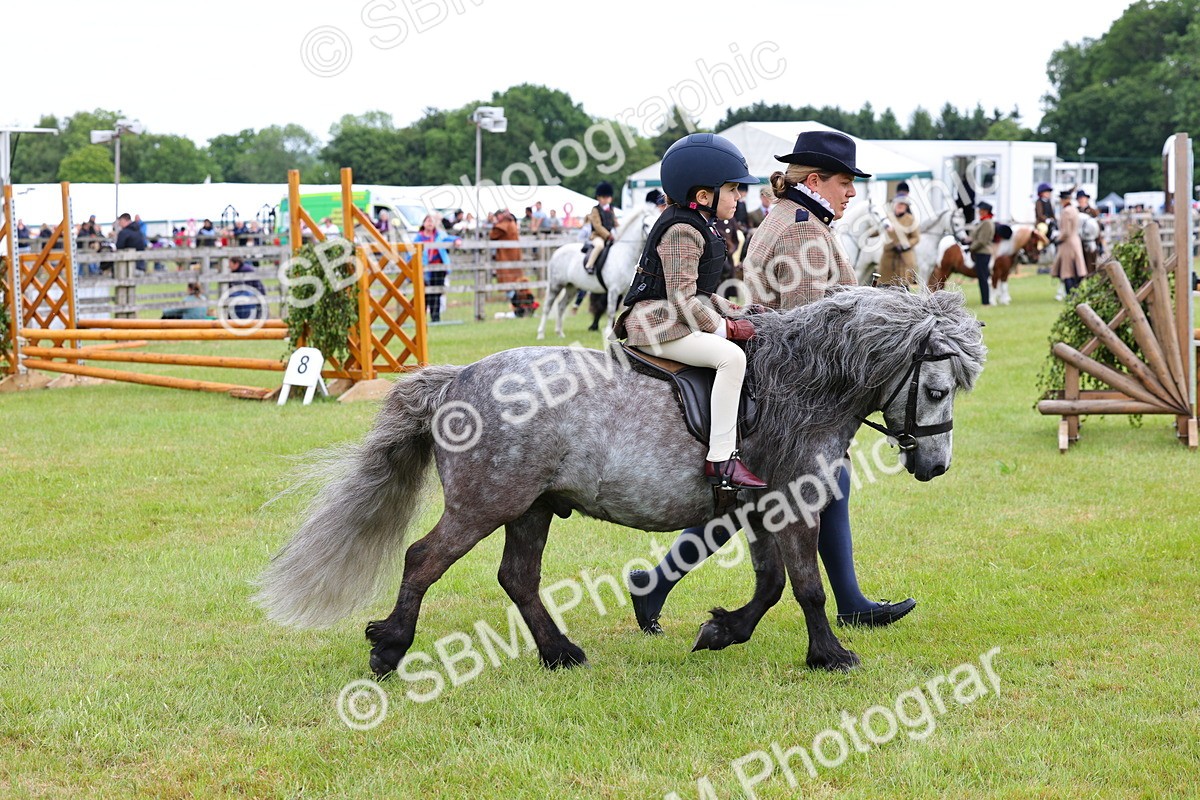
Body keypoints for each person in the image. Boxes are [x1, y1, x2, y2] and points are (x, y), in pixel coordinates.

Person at [628, 129, 916, 634]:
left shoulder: (799, 216)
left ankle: (659, 582)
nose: (852, 193)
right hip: (781, 379)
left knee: (761, 497)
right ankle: (846, 602)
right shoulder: (802, 228)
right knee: (812, 483)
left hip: (760, 362)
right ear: (817, 180)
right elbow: (810, 320)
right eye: (846, 182)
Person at [615, 132, 766, 493]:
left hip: (672, 319)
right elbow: (682, 298)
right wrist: (724, 331)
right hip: (655, 324)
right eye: (733, 189)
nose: (739, 197)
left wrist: (742, 312)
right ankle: (722, 458)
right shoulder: (683, 229)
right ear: (703, 195)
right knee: (731, 359)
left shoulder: (700, 223)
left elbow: (702, 294)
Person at [415, 213, 462, 323]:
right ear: (423, 223)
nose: (430, 223)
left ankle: (435, 318)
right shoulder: (419, 237)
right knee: (424, 294)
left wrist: (457, 240)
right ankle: (421, 320)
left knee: (436, 293)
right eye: (428, 221)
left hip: (438, 268)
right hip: (424, 269)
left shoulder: (440, 235)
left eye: (432, 221)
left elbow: (451, 238)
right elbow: (411, 251)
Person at [1051, 189, 1088, 297]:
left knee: (1067, 271)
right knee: (1077, 269)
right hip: (1075, 241)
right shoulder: (1074, 209)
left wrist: (1057, 239)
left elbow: (1066, 231)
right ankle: (1076, 292)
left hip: (1067, 243)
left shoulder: (1066, 211)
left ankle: (1071, 294)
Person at [878, 194, 920, 286]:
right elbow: (876, 231)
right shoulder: (887, 218)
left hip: (904, 257)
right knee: (885, 286)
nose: (900, 206)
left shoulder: (911, 220)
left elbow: (916, 238)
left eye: (903, 204)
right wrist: (882, 226)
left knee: (903, 287)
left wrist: (905, 245)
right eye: (898, 204)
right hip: (888, 258)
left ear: (906, 207)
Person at [584, 182, 617, 275]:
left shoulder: (611, 209)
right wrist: (608, 235)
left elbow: (616, 223)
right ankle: (589, 265)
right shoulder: (595, 209)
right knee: (600, 246)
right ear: (598, 198)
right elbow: (597, 226)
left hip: (610, 235)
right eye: (603, 197)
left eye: (607, 197)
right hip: (597, 236)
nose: (605, 200)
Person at [489, 209, 523, 292]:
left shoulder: (504, 224)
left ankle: (511, 294)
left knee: (507, 273)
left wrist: (494, 223)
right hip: (513, 252)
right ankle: (514, 292)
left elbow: (493, 235)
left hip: (507, 253)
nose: (497, 219)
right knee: (514, 273)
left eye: (497, 217)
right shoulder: (511, 222)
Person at [969, 201, 995, 306]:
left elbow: (982, 241)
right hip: (980, 252)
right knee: (982, 278)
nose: (978, 211)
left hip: (982, 252)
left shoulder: (987, 223)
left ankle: (986, 302)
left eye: (980, 210)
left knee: (983, 278)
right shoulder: (982, 222)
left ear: (985, 211)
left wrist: (971, 248)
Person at [227, 255, 267, 320]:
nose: (229, 267)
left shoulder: (244, 271)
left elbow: (246, 289)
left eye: (230, 264)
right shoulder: (239, 270)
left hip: (255, 296)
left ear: (236, 264)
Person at [1076, 189, 1103, 273]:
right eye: (1079, 198)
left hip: (1091, 240)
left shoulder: (1092, 211)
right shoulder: (1076, 211)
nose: (1081, 200)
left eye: (1083, 198)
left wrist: (1099, 242)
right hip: (1079, 241)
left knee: (1091, 262)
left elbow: (1097, 227)